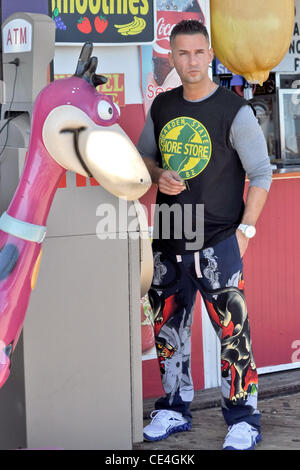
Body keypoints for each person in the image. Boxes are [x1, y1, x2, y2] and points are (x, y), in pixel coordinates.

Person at [137, 19, 272, 450]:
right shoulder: (162, 108)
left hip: (218, 241)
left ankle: (244, 418)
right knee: (167, 330)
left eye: (199, 52)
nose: (191, 61)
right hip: (169, 238)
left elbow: (261, 173)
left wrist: (246, 231)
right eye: (183, 53)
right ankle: (174, 408)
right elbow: (144, 160)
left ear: (209, 54)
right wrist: (159, 175)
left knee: (233, 332)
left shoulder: (234, 110)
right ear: (172, 58)